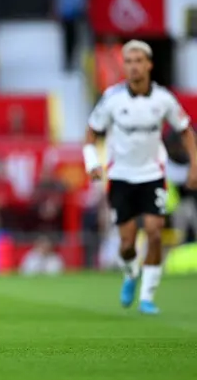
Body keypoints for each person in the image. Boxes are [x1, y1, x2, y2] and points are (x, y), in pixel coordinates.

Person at [83, 39, 197, 315]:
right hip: (121, 176)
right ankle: (131, 273)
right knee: (126, 244)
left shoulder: (163, 99)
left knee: (155, 232)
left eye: (138, 61)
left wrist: (195, 165)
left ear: (149, 65)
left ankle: (147, 297)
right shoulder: (112, 98)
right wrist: (92, 163)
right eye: (129, 62)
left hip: (153, 175)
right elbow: (91, 134)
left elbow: (185, 130)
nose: (133, 67)